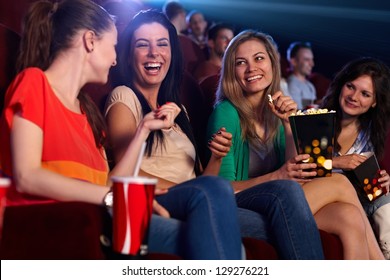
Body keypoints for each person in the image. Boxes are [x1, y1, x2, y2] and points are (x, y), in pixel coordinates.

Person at [0, 0, 242, 260]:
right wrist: (114, 198)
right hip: (57, 220)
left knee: (221, 239)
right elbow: (27, 176)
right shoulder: (34, 82)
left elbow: (109, 182)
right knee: (212, 233)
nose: (116, 59)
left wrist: (144, 131)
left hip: (103, 215)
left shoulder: (87, 111)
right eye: (114, 47)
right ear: (90, 41)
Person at [106, 10, 325, 260]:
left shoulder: (178, 111)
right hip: (172, 199)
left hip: (202, 197)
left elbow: (208, 181)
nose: (154, 52)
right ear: (129, 53)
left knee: (280, 219)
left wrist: (217, 157)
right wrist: (190, 191)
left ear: (171, 54)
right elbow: (125, 174)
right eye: (142, 45)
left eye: (162, 44)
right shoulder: (124, 96)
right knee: (285, 203)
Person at [207, 29, 385, 259]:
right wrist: (276, 176)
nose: (252, 68)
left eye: (259, 58)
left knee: (349, 216)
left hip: (282, 198)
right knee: (339, 182)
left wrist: (289, 125)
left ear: (272, 62)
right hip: (244, 205)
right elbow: (222, 189)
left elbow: (295, 174)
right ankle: (382, 265)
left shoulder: (276, 111)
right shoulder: (226, 113)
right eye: (241, 62)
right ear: (232, 70)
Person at [322, 57, 390, 259]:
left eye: (365, 94)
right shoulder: (315, 118)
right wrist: (336, 162)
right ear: (342, 85)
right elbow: (298, 169)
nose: (354, 97)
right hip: (320, 198)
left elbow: (371, 185)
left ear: (374, 102)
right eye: (350, 86)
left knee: (384, 196)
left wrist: (384, 181)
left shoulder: (371, 134)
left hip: (357, 200)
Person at [286, 41, 317, 109]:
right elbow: (297, 114)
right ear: (293, 61)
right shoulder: (292, 84)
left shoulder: (310, 85)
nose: (312, 64)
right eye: (307, 59)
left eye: (312, 59)